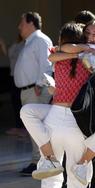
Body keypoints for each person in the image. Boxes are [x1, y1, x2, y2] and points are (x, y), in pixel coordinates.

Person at [20, 22, 95, 188]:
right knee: (76, 183)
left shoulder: (66, 55)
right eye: (87, 33)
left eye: (94, 34)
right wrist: (87, 53)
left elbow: (55, 54)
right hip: (77, 123)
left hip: (59, 119)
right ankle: (82, 161)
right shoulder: (86, 56)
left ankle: (50, 157)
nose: (90, 38)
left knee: (51, 180)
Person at [13, 11, 53, 176]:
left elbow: (47, 65)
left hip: (35, 91)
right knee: (33, 129)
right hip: (29, 91)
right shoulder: (31, 41)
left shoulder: (40, 40)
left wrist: (38, 85)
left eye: (22, 23)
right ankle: (38, 161)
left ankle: (41, 162)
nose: (19, 27)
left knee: (38, 128)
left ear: (31, 23)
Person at [5, 34, 26, 137]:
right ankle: (19, 127)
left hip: (22, 78)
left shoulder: (27, 44)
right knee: (15, 102)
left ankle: (23, 128)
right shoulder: (16, 44)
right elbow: (9, 55)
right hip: (13, 76)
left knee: (20, 103)